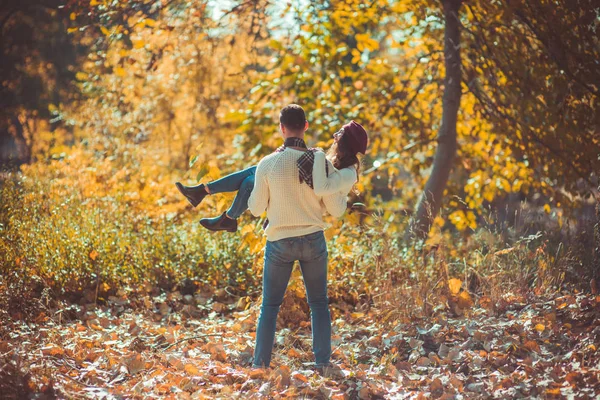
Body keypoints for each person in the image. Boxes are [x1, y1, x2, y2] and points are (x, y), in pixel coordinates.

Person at [175, 117, 366, 234]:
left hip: (310, 202)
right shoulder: (332, 158)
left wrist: (308, 156)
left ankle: (220, 209)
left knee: (256, 173)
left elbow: (322, 186)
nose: (334, 135)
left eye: (339, 133)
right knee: (255, 173)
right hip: (302, 189)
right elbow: (317, 171)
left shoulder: (349, 174)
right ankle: (208, 196)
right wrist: (286, 154)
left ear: (345, 141)